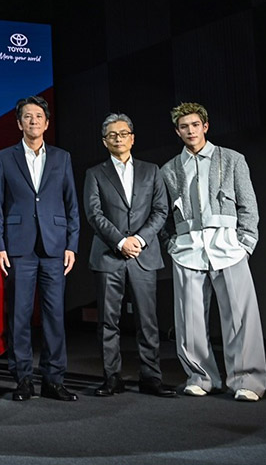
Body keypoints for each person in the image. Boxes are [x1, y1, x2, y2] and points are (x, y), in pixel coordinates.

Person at [161, 102, 266, 401]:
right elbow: (163, 215)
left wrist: (246, 243)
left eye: (195, 125)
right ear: (177, 132)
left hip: (229, 248)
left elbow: (248, 205)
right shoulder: (169, 170)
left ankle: (247, 381)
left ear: (205, 126)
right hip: (187, 251)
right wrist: (171, 244)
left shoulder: (232, 159)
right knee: (189, 319)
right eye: (184, 127)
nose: (190, 131)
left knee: (240, 317)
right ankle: (200, 377)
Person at [0, 96, 80, 402]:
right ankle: (23, 379)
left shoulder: (62, 158)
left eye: (38, 116)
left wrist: (72, 244)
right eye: (27, 117)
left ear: (47, 122)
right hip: (19, 248)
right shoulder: (4, 157)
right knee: (20, 316)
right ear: (19, 123)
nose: (33, 121)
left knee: (55, 316)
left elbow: (71, 204)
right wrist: (0, 246)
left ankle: (54, 379)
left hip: (55, 247)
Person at [83, 114, 175, 398]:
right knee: (108, 322)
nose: (118, 138)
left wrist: (138, 240)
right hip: (108, 256)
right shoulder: (94, 173)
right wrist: (121, 241)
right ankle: (112, 378)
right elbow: (93, 214)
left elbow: (161, 210)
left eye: (123, 133)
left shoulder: (151, 170)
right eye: (112, 135)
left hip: (143, 255)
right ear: (104, 141)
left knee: (148, 321)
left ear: (132, 138)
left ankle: (151, 378)